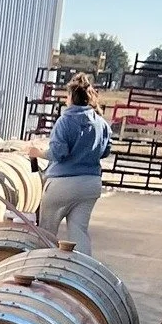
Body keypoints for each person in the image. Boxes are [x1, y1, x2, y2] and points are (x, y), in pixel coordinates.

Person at [37, 74, 112, 252]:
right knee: (79, 232)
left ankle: (42, 269)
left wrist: (37, 152)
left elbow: (58, 153)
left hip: (62, 184)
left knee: (47, 231)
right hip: (90, 184)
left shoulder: (65, 121)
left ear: (71, 97)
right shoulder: (101, 123)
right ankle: (82, 273)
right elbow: (106, 151)